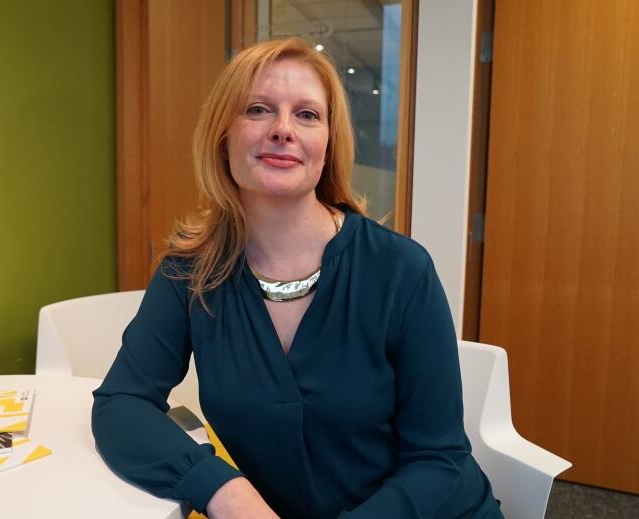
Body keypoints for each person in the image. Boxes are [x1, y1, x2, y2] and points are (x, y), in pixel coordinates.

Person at [92, 37, 503, 518]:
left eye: (307, 115)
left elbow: (439, 460)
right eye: (259, 109)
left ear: (328, 145)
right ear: (223, 136)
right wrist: (226, 492)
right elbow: (121, 403)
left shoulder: (401, 270)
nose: (283, 130)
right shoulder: (190, 271)